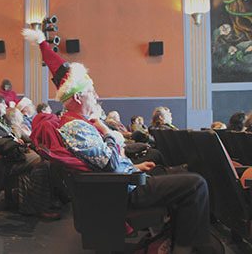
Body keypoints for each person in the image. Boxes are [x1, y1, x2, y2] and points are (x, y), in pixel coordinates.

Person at [23, 28, 210, 253]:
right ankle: (185, 248)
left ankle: (170, 239)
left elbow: (105, 161)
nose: (97, 96)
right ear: (77, 96)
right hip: (121, 193)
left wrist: (133, 166)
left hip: (120, 183)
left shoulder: (76, 123)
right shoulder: (75, 127)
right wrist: (109, 132)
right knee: (196, 184)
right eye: (92, 92)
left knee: (169, 173)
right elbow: (109, 162)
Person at [0, 91, 59, 220]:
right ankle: (40, 207)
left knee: (38, 163)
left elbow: (0, 133)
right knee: (40, 161)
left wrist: (11, 138)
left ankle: (32, 206)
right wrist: (12, 139)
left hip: (3, 157)